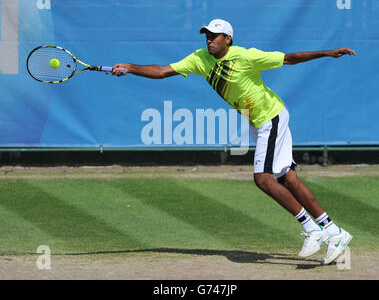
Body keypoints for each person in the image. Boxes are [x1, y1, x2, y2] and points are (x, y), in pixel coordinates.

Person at [110, 19, 355, 265]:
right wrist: (130, 67)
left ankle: (312, 229)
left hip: (271, 117)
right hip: (257, 121)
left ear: (227, 39)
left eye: (214, 35)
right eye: (207, 35)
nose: (209, 39)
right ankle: (334, 232)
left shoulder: (246, 57)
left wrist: (327, 53)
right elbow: (162, 71)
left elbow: (289, 58)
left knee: (263, 179)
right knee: (288, 178)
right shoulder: (200, 58)